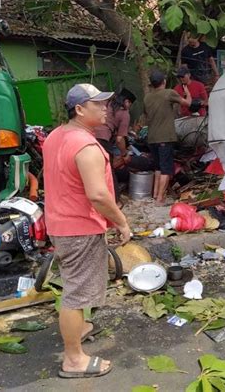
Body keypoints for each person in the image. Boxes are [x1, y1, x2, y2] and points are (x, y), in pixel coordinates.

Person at [43, 83, 131, 379]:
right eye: (98, 104)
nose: (106, 108)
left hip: (60, 222)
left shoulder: (56, 136)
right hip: (79, 227)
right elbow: (98, 195)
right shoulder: (86, 146)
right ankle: (74, 359)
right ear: (79, 109)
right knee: (77, 294)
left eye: (106, 103)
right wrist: (121, 221)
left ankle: (78, 329)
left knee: (74, 285)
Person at [144, 69, 192, 204]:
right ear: (164, 81)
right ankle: (160, 198)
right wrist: (187, 92)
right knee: (166, 168)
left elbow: (147, 115)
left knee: (158, 167)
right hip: (165, 137)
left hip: (152, 137)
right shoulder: (169, 93)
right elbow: (187, 103)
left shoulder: (147, 97)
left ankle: (155, 194)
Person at [95, 88, 136, 201]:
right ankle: (115, 200)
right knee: (108, 170)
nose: (129, 107)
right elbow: (119, 139)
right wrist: (124, 154)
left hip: (88, 136)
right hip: (103, 139)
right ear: (127, 101)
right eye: (130, 104)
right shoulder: (124, 113)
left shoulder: (107, 103)